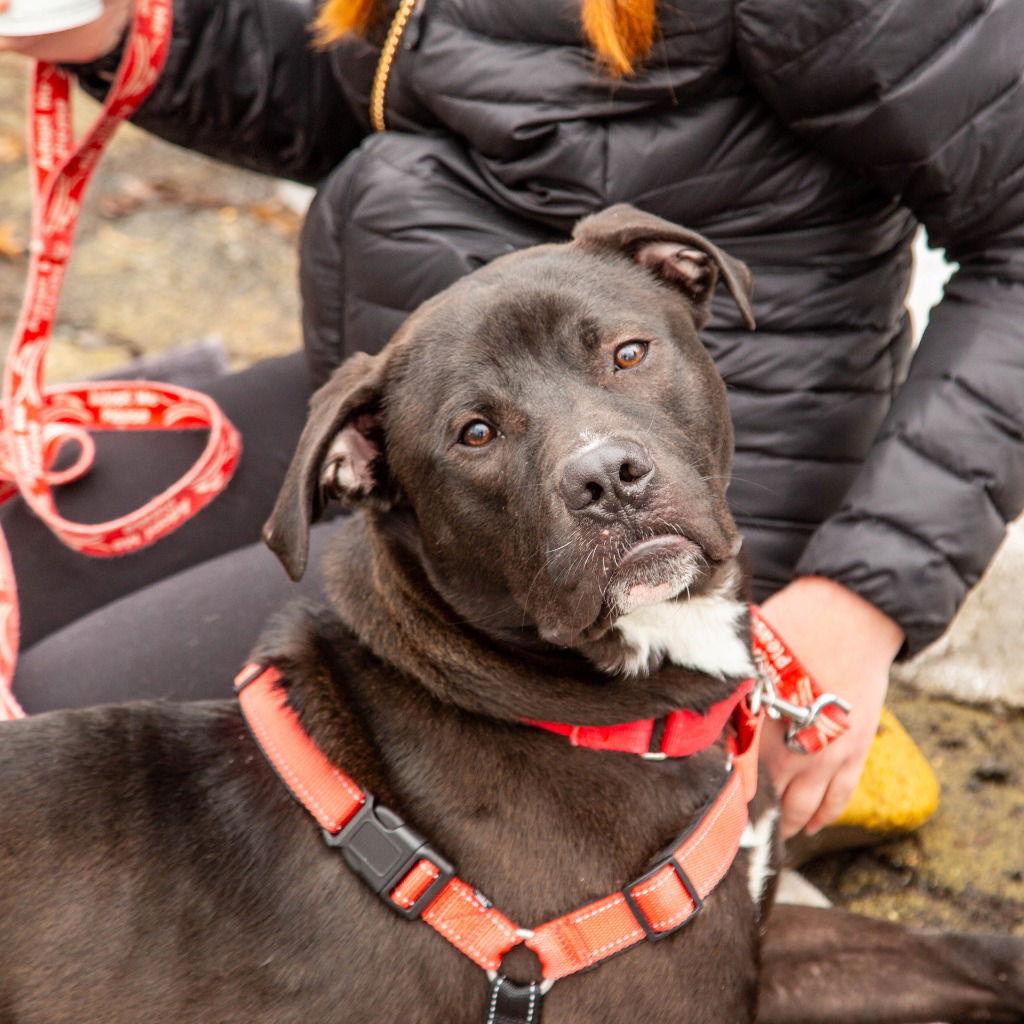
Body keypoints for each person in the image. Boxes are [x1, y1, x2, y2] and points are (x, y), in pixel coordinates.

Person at [1, 0, 1022, 842]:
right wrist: (140, 32)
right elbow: (395, 89)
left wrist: (860, 599)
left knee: (47, 753)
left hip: (690, 487)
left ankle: (711, 779)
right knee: (16, 559)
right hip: (441, 428)